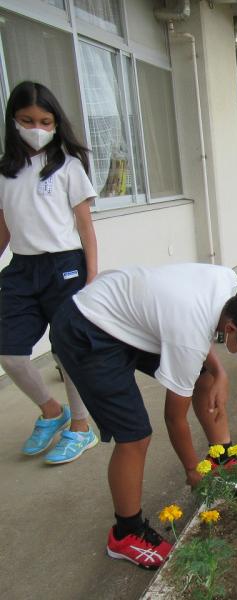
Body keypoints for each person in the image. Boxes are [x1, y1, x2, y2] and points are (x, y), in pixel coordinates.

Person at [49, 263, 237, 568]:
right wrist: (192, 470)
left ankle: (225, 457)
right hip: (87, 329)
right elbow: (174, 417)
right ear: (233, 329)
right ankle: (126, 533)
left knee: (205, 376)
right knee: (135, 435)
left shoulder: (229, 285)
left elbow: (196, 326)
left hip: (126, 316)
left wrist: (220, 373)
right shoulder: (189, 333)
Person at [0, 81, 99, 464]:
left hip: (65, 266)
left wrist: (91, 277)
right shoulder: (5, 171)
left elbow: (86, 227)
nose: (37, 128)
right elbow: (6, 228)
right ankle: (50, 411)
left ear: (56, 123)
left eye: (45, 121)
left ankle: (79, 426)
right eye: (27, 120)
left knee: (65, 351)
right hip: (22, 268)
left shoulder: (68, 166)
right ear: (13, 121)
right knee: (10, 354)